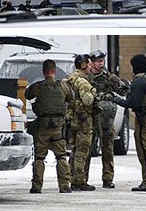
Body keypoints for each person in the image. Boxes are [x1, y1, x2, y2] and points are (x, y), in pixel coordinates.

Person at [108, 54, 146, 191]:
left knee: (144, 151)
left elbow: (132, 102)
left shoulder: (139, 81)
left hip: (145, 118)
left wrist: (115, 99)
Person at [26, 59, 73, 194]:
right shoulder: (63, 86)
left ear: (44, 72)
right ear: (54, 71)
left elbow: (27, 95)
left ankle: (37, 186)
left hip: (43, 127)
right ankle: (64, 185)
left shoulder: (38, 87)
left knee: (40, 158)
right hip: (58, 128)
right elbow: (71, 97)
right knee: (61, 157)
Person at [87, 49, 125, 189]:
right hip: (89, 119)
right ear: (91, 62)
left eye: (102, 61)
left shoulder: (109, 77)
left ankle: (108, 179)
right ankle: (81, 179)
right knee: (86, 149)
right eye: (98, 61)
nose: (101, 64)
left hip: (106, 119)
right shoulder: (85, 78)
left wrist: (113, 96)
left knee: (108, 149)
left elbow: (124, 89)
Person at [63, 54, 97, 191]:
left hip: (71, 119)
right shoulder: (83, 82)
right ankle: (78, 180)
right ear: (83, 65)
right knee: (82, 150)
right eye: (89, 64)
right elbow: (88, 100)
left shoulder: (68, 79)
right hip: (83, 120)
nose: (90, 66)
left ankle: (70, 176)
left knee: (74, 150)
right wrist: (93, 92)